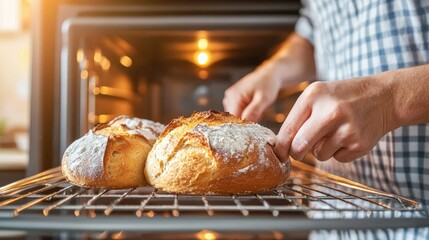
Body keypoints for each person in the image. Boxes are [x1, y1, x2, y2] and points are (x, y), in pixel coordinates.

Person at [223, 0, 429, 216]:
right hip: (333, 219)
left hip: (419, 223)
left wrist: (391, 101)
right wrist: (273, 71)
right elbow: (315, 32)